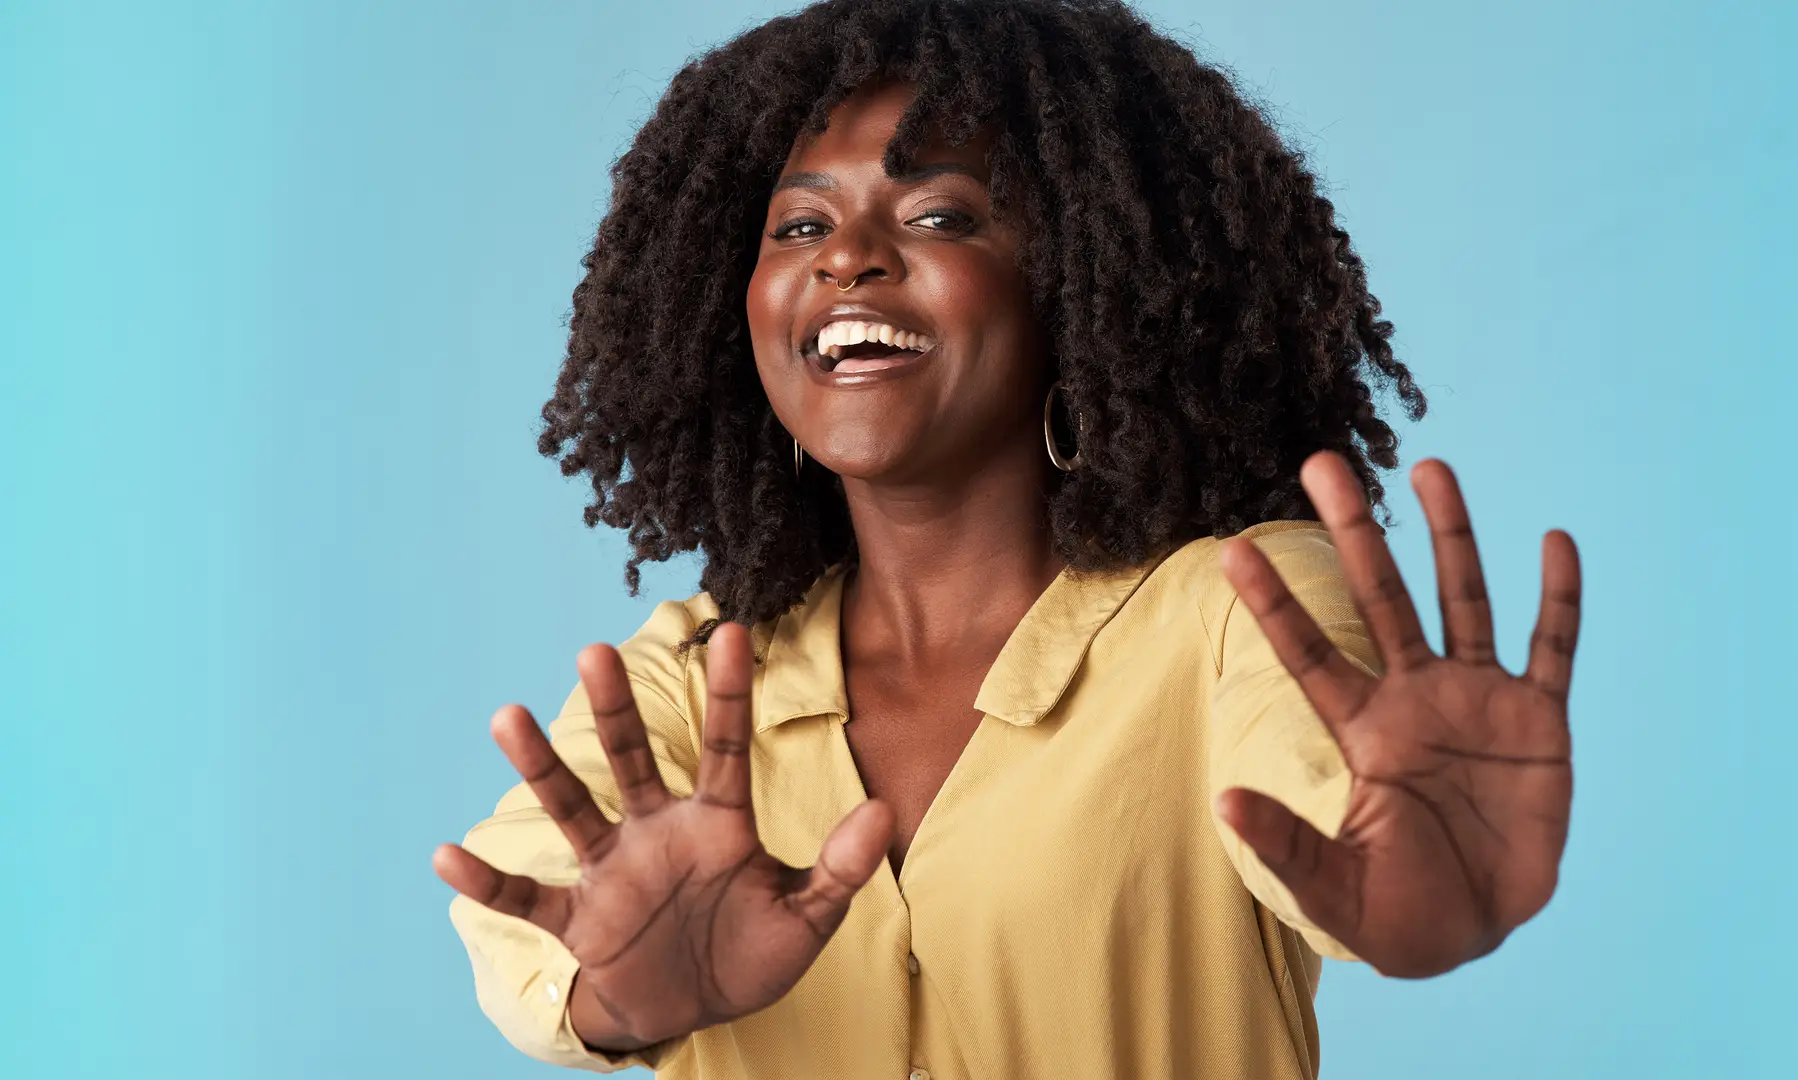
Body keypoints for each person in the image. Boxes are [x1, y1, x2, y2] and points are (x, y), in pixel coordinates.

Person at [432, 1, 1583, 1076]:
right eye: (800, 225)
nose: (846, 259)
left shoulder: (1234, 606)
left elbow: (1350, 825)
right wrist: (617, 996)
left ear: (1082, 285)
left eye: (940, 215)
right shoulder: (697, 677)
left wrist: (1426, 886)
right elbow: (532, 910)